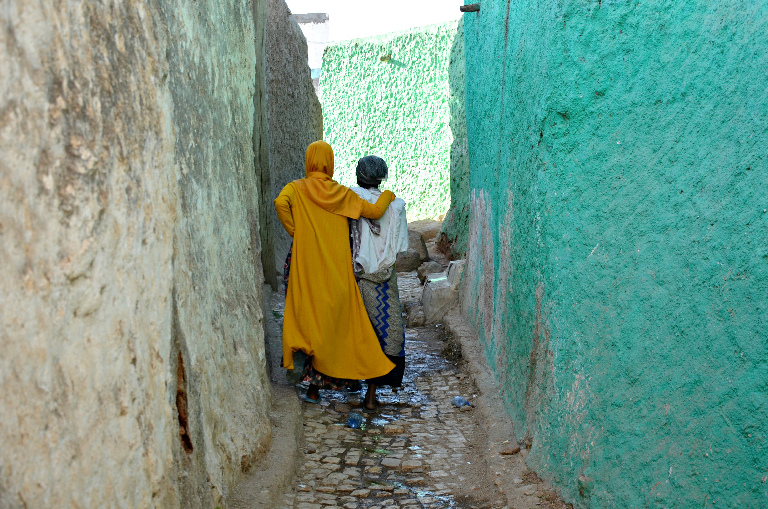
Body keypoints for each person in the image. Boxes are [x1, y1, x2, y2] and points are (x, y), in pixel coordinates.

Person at [274, 141, 396, 403]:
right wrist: (388, 195)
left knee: (307, 320)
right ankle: (342, 378)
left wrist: (296, 231)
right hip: (336, 272)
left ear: (309, 161)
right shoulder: (340, 194)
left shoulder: (295, 189)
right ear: (330, 163)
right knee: (336, 325)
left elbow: (279, 203)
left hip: (304, 268)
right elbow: (374, 212)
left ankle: (309, 383)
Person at [349, 156, 409, 410]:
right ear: (382, 177)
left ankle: (349, 381)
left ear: (358, 175)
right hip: (385, 280)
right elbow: (402, 247)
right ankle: (371, 395)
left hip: (357, 277)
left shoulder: (350, 198)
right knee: (385, 333)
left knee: (357, 330)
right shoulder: (396, 205)